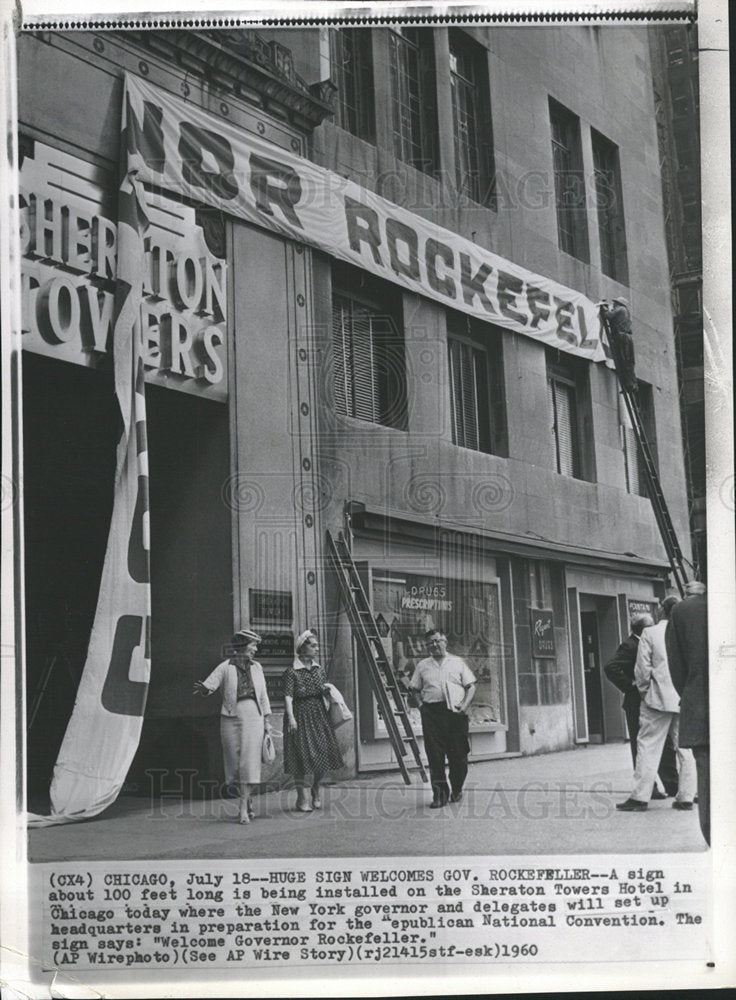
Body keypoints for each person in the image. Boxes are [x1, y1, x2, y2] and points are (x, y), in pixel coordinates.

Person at [617, 596, 696, 811]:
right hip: (683, 698)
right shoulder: (688, 633)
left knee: (648, 746)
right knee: (686, 749)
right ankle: (687, 796)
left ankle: (640, 797)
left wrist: (645, 692)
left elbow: (642, 669)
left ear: (662, 610)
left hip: (657, 699)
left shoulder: (650, 633)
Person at [193, 629, 273, 824]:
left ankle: (243, 808)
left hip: (253, 717)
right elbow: (210, 685)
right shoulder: (225, 667)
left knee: (249, 762)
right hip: (230, 718)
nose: (255, 649)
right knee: (234, 764)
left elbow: (263, 696)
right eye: (253, 645)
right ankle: (247, 799)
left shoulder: (257, 667)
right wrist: (205, 689)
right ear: (242, 646)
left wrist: (267, 723)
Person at [604, 613, 679, 799]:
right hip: (637, 701)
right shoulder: (630, 645)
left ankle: (671, 784)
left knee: (662, 744)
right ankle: (652, 787)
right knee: (643, 745)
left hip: (653, 699)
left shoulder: (647, 641)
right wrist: (630, 686)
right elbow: (611, 667)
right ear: (644, 629)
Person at [409, 629, 476, 809]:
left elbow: (471, 687)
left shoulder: (457, 662)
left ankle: (457, 788)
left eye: (437, 641)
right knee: (435, 755)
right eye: (430, 643)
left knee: (459, 755)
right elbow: (414, 689)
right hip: (432, 713)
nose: (434, 645)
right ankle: (440, 795)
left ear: (445, 641)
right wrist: (422, 707)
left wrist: (464, 706)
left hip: (455, 712)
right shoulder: (423, 665)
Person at [666, 581, 709, 844]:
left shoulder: (682, 612)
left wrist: (694, 696)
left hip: (702, 709)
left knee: (709, 777)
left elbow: (677, 668)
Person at [282, 630, 343, 812]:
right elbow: (288, 696)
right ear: (302, 647)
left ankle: (315, 788)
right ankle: (301, 796)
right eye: (313, 645)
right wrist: (291, 718)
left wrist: (328, 693)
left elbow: (324, 690)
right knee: (299, 755)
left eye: (316, 645)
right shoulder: (291, 672)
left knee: (323, 752)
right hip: (299, 714)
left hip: (318, 714)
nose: (316, 649)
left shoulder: (319, 670)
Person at [600, 297, 637, 393]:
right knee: (628, 362)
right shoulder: (626, 312)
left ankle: (629, 384)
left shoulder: (620, 309)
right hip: (627, 338)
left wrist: (604, 307)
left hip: (621, 337)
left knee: (622, 361)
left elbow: (608, 315)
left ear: (618, 303)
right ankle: (631, 384)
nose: (614, 305)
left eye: (615, 303)